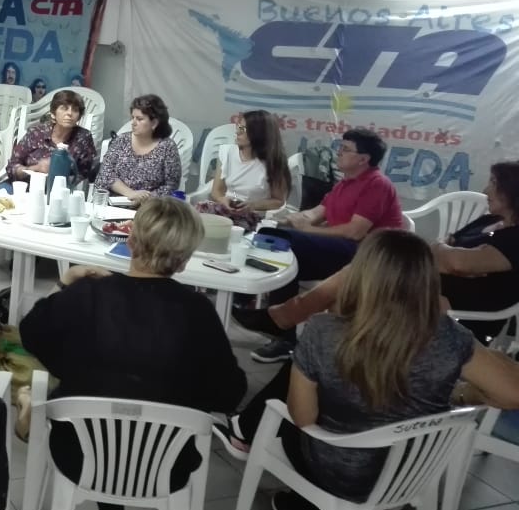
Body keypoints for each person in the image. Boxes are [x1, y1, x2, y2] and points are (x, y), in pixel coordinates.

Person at [215, 230, 519, 510]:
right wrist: (461, 395)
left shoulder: (323, 332)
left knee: (291, 415)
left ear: (361, 274)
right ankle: (307, 509)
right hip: (412, 471)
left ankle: (304, 504)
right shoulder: (450, 337)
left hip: (340, 472)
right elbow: (513, 394)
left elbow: (303, 419)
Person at [20, 198, 247, 510]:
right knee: (132, 409)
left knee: (105, 405)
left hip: (80, 453)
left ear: (130, 240)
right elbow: (230, 394)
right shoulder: (198, 313)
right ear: (184, 260)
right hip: (165, 465)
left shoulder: (87, 294)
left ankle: (29, 410)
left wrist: (66, 282)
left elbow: (31, 333)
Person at [242, 161, 519, 346]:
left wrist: (445, 253)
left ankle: (288, 322)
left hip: (451, 302)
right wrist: (444, 253)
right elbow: (445, 251)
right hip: (425, 282)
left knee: (356, 282)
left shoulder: (515, 237)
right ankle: (305, 340)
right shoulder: (489, 221)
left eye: (494, 183)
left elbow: (457, 262)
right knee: (350, 286)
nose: (486, 190)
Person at [235, 128, 404, 363]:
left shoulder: (377, 185)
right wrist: (276, 220)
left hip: (367, 257)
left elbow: (355, 232)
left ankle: (267, 317)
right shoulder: (344, 183)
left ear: (363, 159)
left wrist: (305, 229)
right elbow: (314, 214)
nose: (339, 152)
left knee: (288, 243)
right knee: (273, 240)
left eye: (346, 149)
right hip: (339, 249)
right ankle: (280, 333)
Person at [194, 110, 290, 230]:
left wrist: (253, 205)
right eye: (239, 127)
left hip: (252, 216)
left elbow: (278, 200)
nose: (237, 132)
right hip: (225, 210)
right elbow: (217, 191)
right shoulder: (227, 152)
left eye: (243, 129)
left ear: (258, 134)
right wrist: (223, 200)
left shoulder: (274, 163)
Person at [95, 94, 182, 204]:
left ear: (154, 123)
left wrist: (144, 199)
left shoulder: (167, 147)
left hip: (150, 207)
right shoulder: (121, 140)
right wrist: (131, 193)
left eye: (139, 119)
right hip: (114, 203)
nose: (133, 123)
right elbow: (105, 174)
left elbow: (171, 186)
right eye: (133, 118)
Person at [6, 89, 97, 183]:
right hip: (23, 185)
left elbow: (87, 173)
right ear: (53, 114)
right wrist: (35, 168)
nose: (69, 113)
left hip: (62, 188)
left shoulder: (83, 137)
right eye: (64, 108)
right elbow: (12, 167)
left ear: (79, 116)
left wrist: (61, 177)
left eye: (75, 110)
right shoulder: (36, 133)